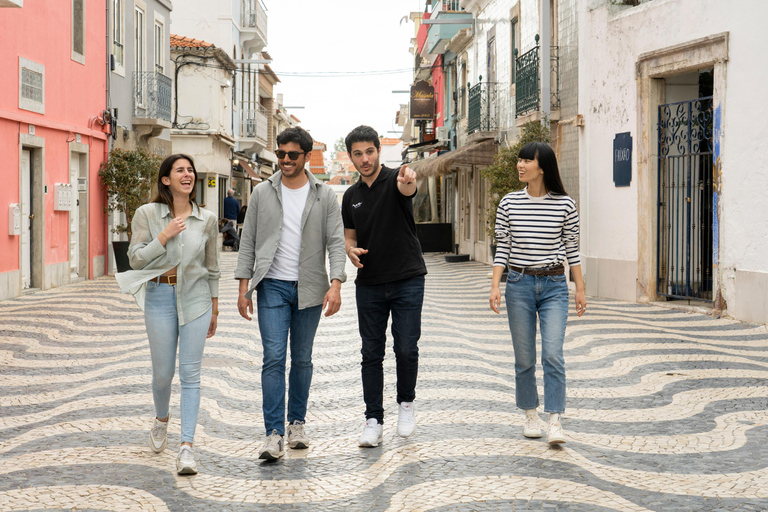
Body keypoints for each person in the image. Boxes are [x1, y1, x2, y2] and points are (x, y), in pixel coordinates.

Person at [235, 126, 347, 461]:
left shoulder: (324, 195)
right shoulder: (262, 192)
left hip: (310, 287)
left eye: (292, 154)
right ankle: (273, 433)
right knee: (273, 358)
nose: (285, 159)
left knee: (302, 359)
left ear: (307, 156)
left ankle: (297, 423)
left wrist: (337, 283)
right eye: (281, 153)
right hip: (272, 285)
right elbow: (248, 241)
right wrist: (244, 287)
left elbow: (336, 242)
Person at [115, 154, 220, 475]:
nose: (187, 175)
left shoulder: (207, 219)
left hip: (197, 299)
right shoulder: (147, 213)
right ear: (166, 179)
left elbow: (212, 266)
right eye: (180, 170)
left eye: (190, 170)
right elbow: (135, 259)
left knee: (191, 374)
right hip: (159, 296)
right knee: (163, 374)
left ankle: (186, 448)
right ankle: (162, 419)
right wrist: (165, 235)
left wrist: (215, 306)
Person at [488, 141, 586, 445]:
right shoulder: (509, 203)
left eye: (526, 160)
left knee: (553, 354)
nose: (520, 165)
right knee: (525, 358)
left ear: (542, 167)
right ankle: (531, 414)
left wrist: (580, 289)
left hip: (555, 285)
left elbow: (573, 250)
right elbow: (502, 248)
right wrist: (495, 285)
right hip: (518, 285)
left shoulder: (565, 205)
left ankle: (555, 420)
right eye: (519, 160)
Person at [341, 125, 427, 447]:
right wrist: (351, 251)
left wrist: (409, 180)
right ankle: (373, 420)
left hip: (407, 278)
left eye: (369, 151)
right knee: (370, 353)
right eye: (358, 154)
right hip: (370, 283)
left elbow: (408, 187)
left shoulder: (396, 179)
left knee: (406, 348)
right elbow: (350, 236)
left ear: (378, 151)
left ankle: (406, 404)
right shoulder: (350, 196)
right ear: (351, 157)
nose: (364, 159)